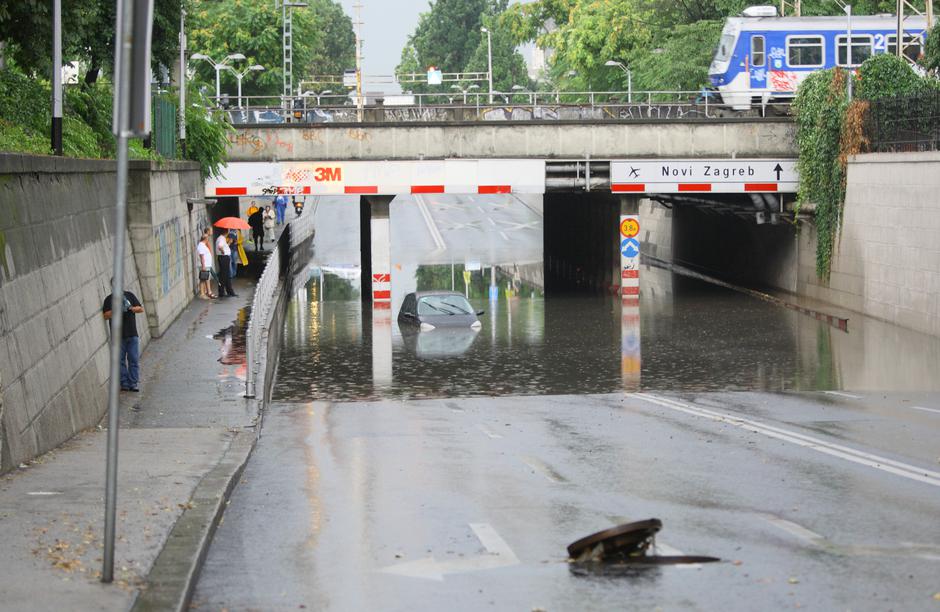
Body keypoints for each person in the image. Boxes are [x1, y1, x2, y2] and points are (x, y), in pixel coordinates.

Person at [102, 280, 144, 392]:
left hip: (132, 334)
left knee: (133, 359)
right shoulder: (109, 299)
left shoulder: (129, 295)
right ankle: (124, 383)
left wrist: (130, 308)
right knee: (120, 361)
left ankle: (133, 383)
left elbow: (140, 308)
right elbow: (105, 315)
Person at [215, 230, 237, 298]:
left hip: (224, 257)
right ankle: (221, 292)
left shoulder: (222, 238)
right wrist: (223, 251)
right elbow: (220, 246)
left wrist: (229, 243)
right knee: (223, 275)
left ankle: (229, 291)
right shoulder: (221, 238)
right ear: (226, 232)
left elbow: (224, 246)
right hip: (223, 257)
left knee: (226, 275)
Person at [196, 231, 216, 299]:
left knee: (204, 279)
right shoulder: (201, 245)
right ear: (205, 239)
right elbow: (202, 256)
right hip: (205, 265)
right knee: (203, 279)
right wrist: (203, 266)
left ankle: (205, 293)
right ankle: (202, 293)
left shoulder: (203, 245)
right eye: (208, 239)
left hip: (207, 265)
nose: (208, 240)